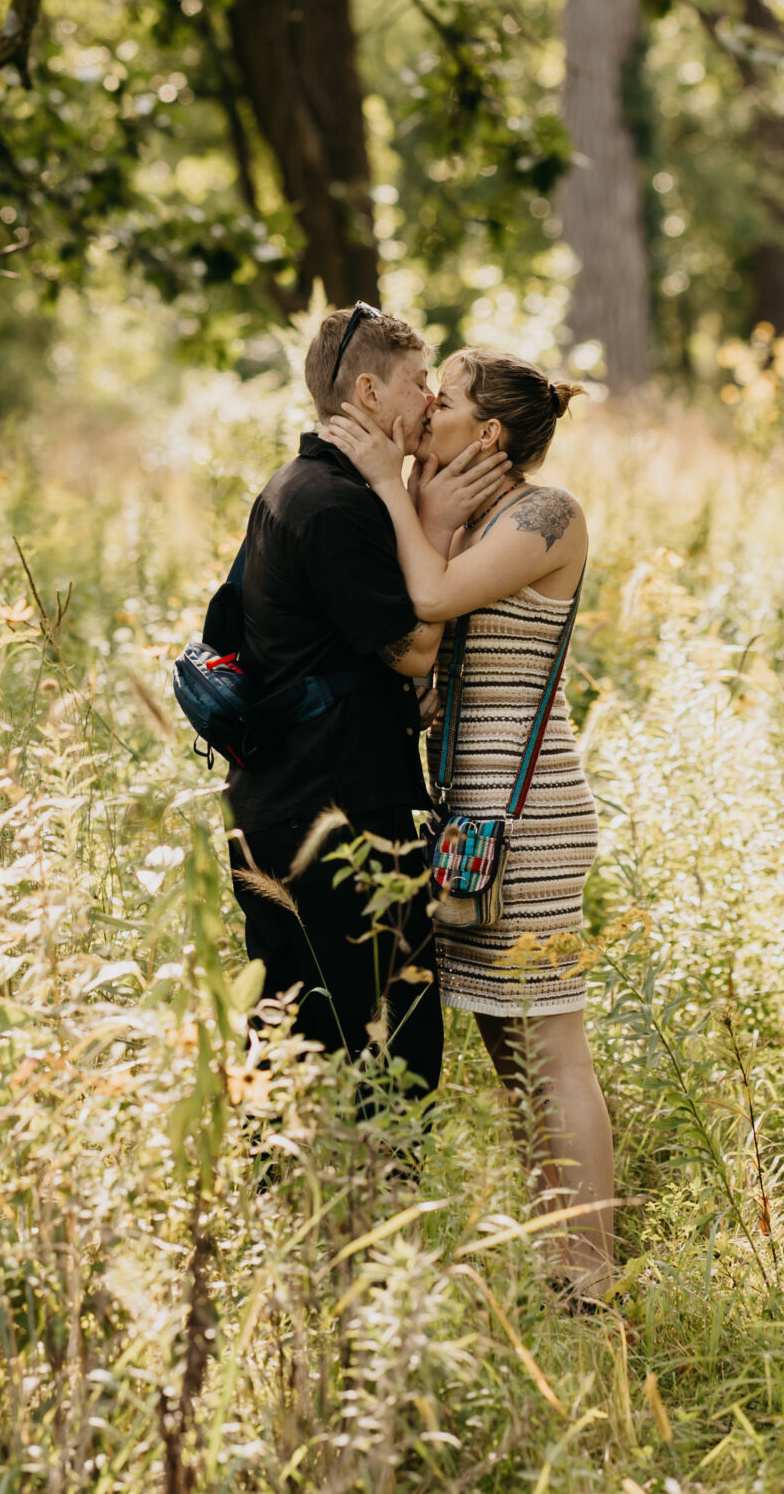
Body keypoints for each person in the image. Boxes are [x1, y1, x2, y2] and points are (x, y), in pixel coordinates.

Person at [321, 347, 613, 1299]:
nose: (425, 408)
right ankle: (557, 1261)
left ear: (489, 433)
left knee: (550, 1042)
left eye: (442, 401)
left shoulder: (544, 513)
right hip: (469, 824)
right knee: (507, 1046)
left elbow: (433, 600)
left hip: (526, 819)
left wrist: (390, 489)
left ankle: (588, 1273)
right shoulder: (468, 517)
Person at [222, 303, 510, 1108]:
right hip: (337, 820)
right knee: (390, 1043)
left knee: (293, 1036)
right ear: (372, 392)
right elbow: (414, 647)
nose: (429, 398)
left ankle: (300, 1217)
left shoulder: (302, 483)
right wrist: (431, 518)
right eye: (421, 382)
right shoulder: (337, 505)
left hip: (288, 802)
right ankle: (366, 1218)